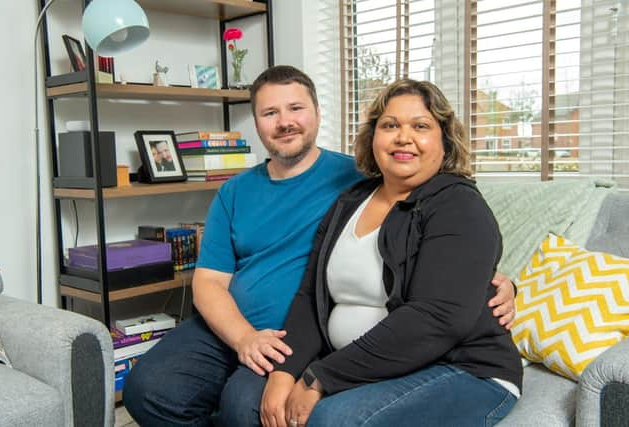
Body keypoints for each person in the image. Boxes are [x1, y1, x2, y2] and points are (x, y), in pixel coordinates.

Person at [123, 66, 517, 427]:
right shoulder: (350, 195)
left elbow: (447, 284)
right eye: (269, 113)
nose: (285, 122)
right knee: (166, 392)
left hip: (398, 353)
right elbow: (239, 286)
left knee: (299, 414)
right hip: (258, 330)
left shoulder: (367, 179)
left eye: (295, 107)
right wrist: (258, 351)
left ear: (317, 112)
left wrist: (496, 279)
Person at [260, 79, 523, 427]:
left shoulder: (459, 205)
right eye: (389, 125)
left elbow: (437, 319)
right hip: (364, 364)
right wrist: (284, 372)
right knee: (246, 399)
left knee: (333, 420)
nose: (403, 136)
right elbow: (312, 296)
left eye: (421, 126)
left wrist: (318, 377)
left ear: (444, 140)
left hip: (463, 370)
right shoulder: (350, 201)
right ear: (373, 138)